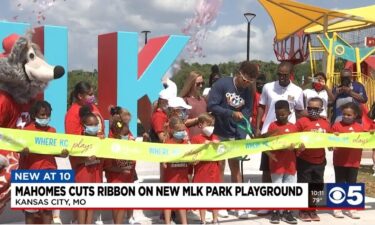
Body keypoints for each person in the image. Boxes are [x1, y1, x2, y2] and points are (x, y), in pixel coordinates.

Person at [207, 61, 258, 219]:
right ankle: (220, 205)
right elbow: (212, 106)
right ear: (239, 73)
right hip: (221, 131)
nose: (246, 84)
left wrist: (243, 132)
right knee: (220, 167)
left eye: (250, 82)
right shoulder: (222, 84)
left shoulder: (248, 90)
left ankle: (239, 205)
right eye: (245, 80)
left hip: (237, 134)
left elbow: (247, 111)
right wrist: (230, 114)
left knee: (236, 169)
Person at [255, 62, 304, 216]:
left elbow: (300, 112)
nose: (282, 77)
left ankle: (285, 206)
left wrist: (303, 132)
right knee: (267, 170)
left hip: (290, 135)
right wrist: (257, 128)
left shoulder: (298, 90)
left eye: (285, 74)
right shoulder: (268, 87)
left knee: (288, 171)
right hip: (269, 134)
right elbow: (261, 106)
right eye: (279, 74)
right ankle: (267, 204)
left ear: (291, 74)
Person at [20, 100, 68, 224]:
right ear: (34, 115)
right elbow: (20, 153)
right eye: (42, 115)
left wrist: (62, 154)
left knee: (47, 210)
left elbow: (54, 151)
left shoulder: (53, 131)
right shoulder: (26, 131)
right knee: (30, 211)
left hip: (50, 173)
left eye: (47, 114)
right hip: (31, 174)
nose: (45, 117)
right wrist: (23, 152)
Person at [295, 97, 331, 222]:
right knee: (304, 185)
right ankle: (303, 211)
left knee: (317, 186)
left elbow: (330, 142)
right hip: (304, 160)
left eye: (315, 109)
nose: (312, 111)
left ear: (321, 109)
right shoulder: (301, 122)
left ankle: (313, 210)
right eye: (309, 108)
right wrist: (298, 145)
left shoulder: (326, 123)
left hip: (320, 161)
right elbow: (294, 139)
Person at [69, 106, 103, 224]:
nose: (94, 127)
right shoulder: (78, 140)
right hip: (83, 174)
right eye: (91, 125)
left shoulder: (100, 140)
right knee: (82, 204)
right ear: (84, 126)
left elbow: (105, 155)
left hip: (96, 174)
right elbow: (73, 159)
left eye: (96, 124)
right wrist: (85, 159)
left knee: (91, 203)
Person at [266, 100, 298, 224]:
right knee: (277, 188)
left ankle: (287, 212)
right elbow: (269, 143)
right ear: (275, 113)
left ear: (289, 113)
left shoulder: (293, 127)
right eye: (278, 114)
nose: (281, 117)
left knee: (289, 188)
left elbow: (297, 143)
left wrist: (298, 147)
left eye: (283, 114)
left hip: (290, 164)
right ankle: (275, 212)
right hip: (276, 164)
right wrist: (283, 146)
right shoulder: (272, 126)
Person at [331, 102, 364, 219]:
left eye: (349, 115)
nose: (346, 116)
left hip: (354, 161)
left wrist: (370, 136)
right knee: (339, 183)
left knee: (352, 183)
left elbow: (366, 141)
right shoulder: (336, 126)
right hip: (339, 161)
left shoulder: (360, 128)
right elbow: (329, 144)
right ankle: (337, 207)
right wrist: (332, 138)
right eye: (344, 114)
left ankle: (352, 207)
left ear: (355, 115)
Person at [104, 108, 137, 224]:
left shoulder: (129, 138)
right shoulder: (110, 142)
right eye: (125, 134)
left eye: (128, 134)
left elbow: (135, 155)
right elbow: (107, 166)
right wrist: (121, 169)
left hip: (128, 177)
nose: (128, 136)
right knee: (116, 204)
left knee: (123, 203)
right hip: (115, 179)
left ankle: (123, 221)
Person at [191, 113, 221, 225]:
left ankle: (215, 219)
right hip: (201, 172)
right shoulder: (196, 139)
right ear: (200, 125)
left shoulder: (216, 138)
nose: (210, 127)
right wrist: (204, 147)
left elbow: (222, 155)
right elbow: (193, 159)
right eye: (208, 124)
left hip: (214, 172)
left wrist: (219, 147)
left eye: (212, 124)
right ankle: (202, 220)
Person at [163, 117, 189, 225]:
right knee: (169, 201)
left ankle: (184, 222)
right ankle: (167, 222)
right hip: (171, 178)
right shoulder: (167, 144)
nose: (182, 132)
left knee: (182, 201)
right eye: (179, 130)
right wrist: (164, 161)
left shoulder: (186, 143)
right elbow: (163, 162)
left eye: (183, 130)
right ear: (172, 130)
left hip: (183, 178)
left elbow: (192, 160)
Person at [180, 71, 207, 137]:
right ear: (191, 84)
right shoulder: (184, 100)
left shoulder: (203, 99)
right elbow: (183, 122)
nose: (201, 86)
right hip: (192, 137)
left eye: (202, 83)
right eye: (198, 84)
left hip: (205, 136)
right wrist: (199, 119)